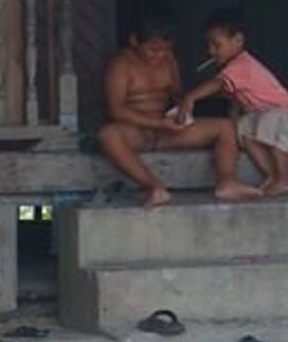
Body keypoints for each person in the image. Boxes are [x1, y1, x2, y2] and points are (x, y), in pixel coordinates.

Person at [98, 20, 263, 208]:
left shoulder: (168, 59)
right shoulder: (120, 64)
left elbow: (177, 95)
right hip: (136, 131)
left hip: (166, 130)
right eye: (153, 49)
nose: (160, 55)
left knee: (226, 127)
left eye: (166, 49)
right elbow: (116, 111)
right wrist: (159, 124)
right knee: (107, 135)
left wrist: (181, 112)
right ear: (134, 40)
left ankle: (227, 182)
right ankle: (154, 188)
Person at [176, 12, 288, 197]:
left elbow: (218, 84)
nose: (211, 51)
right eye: (209, 45)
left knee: (271, 120)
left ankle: (283, 179)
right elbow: (235, 102)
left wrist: (190, 97)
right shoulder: (232, 70)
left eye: (216, 45)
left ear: (238, 40)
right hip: (269, 118)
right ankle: (271, 175)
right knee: (242, 130)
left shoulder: (242, 65)